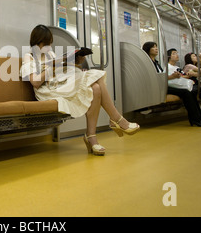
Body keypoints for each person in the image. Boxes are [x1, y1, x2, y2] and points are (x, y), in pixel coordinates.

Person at [20, 25, 139, 156]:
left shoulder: (50, 54)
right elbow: (36, 82)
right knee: (94, 79)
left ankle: (92, 136)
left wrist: (76, 62)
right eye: (45, 44)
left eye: (49, 43)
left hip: (59, 83)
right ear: (37, 42)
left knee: (96, 88)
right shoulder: (29, 57)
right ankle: (116, 119)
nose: (49, 47)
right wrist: (52, 66)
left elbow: (60, 71)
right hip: (47, 91)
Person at [142, 42, 201, 127]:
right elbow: (154, 78)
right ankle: (195, 119)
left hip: (163, 85)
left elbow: (162, 77)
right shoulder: (147, 63)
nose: (156, 49)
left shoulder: (156, 63)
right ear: (148, 49)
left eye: (156, 47)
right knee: (186, 92)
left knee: (191, 92)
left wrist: (174, 76)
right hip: (158, 87)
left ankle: (200, 117)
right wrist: (172, 76)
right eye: (153, 47)